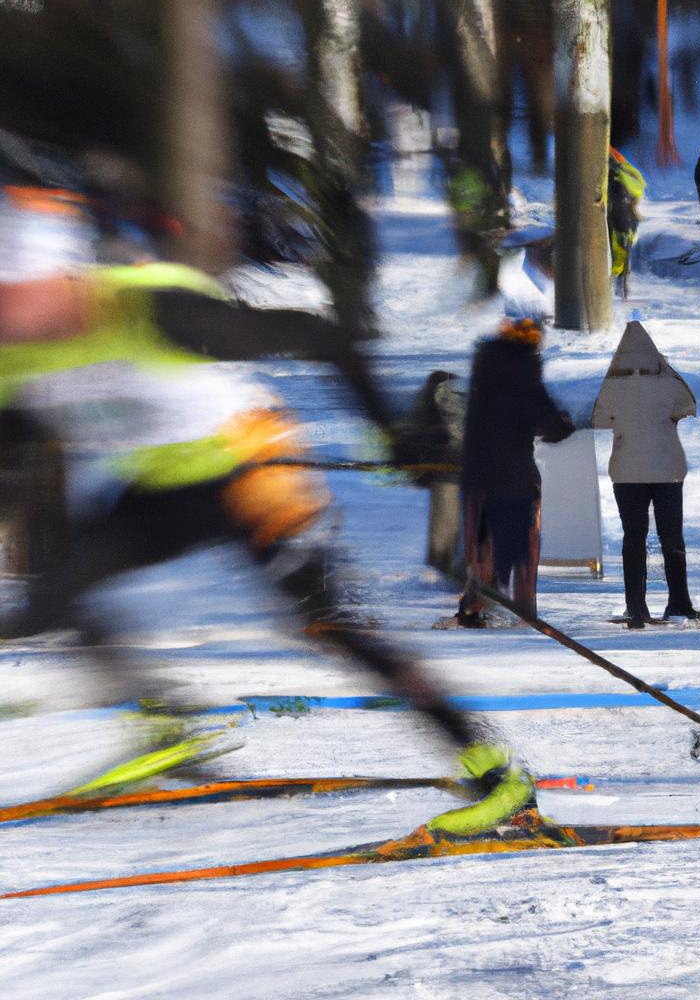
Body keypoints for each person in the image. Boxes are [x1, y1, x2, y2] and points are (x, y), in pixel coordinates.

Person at [0, 193, 534, 831]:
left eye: (17, 296)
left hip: (252, 471)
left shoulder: (154, 310)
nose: (11, 317)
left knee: (327, 627)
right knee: (57, 586)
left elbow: (323, 338)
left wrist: (392, 434)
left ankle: (495, 769)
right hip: (163, 484)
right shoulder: (13, 354)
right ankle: (170, 731)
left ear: (60, 279)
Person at [456, 316, 573, 625]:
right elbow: (553, 425)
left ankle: (473, 604)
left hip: (475, 476)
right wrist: (562, 423)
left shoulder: (483, 372)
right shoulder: (524, 375)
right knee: (525, 542)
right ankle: (525, 607)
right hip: (514, 476)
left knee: (482, 542)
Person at [592, 320, 700, 629]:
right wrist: (666, 370)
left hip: (627, 471)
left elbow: (599, 418)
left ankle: (636, 607)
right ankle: (679, 602)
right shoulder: (667, 381)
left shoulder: (612, 384)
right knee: (671, 537)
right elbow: (689, 405)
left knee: (634, 537)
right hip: (667, 469)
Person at [395, 370, 465, 575]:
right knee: (454, 518)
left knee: (446, 516)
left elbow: (410, 431)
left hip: (444, 468)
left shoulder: (429, 397)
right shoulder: (453, 395)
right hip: (454, 467)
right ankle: (444, 566)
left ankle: (441, 563)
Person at [607, 146, 646, 299]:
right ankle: (619, 287)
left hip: (622, 221)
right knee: (620, 256)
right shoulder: (624, 173)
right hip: (624, 220)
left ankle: (618, 288)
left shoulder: (619, 176)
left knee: (619, 254)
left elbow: (637, 188)